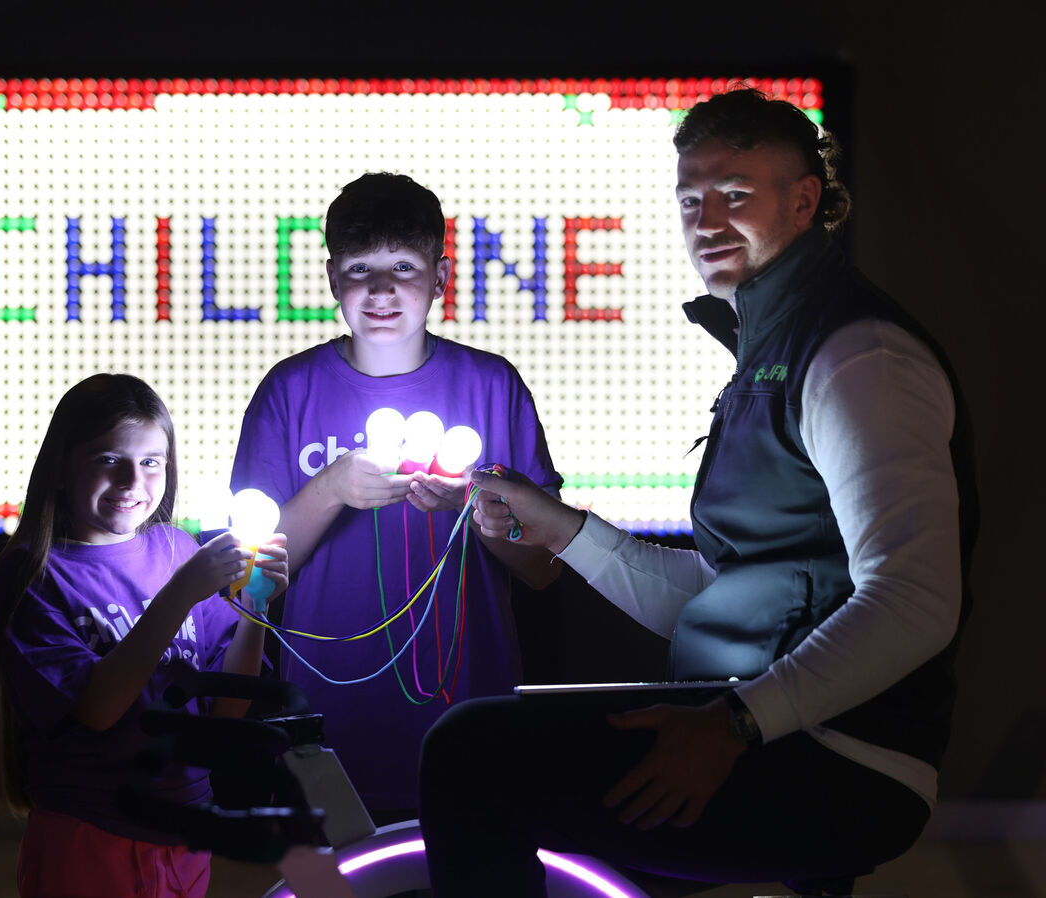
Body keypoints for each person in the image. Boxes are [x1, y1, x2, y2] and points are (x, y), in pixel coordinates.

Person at [419, 88, 979, 895]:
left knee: (468, 753)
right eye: (692, 198)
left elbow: (918, 600)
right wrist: (566, 532)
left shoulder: (858, 356)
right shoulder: (774, 347)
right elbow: (729, 600)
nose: (708, 220)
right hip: (774, 727)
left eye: (737, 194)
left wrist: (735, 723)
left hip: (836, 755)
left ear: (805, 200)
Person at [230, 172, 561, 817]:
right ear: (332, 280)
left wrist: (475, 506)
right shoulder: (288, 392)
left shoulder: (492, 387)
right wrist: (330, 487)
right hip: (325, 728)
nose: (380, 289)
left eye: (403, 266)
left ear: (440, 277)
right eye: (359, 267)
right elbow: (248, 578)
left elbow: (546, 569)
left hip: (468, 724)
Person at [0, 373, 289, 898]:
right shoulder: (35, 572)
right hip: (87, 831)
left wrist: (255, 607)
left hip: (183, 829)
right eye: (108, 460)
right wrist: (181, 594)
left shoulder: (176, 547)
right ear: (61, 467)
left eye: (151, 462)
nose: (133, 481)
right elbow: (97, 709)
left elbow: (227, 708)